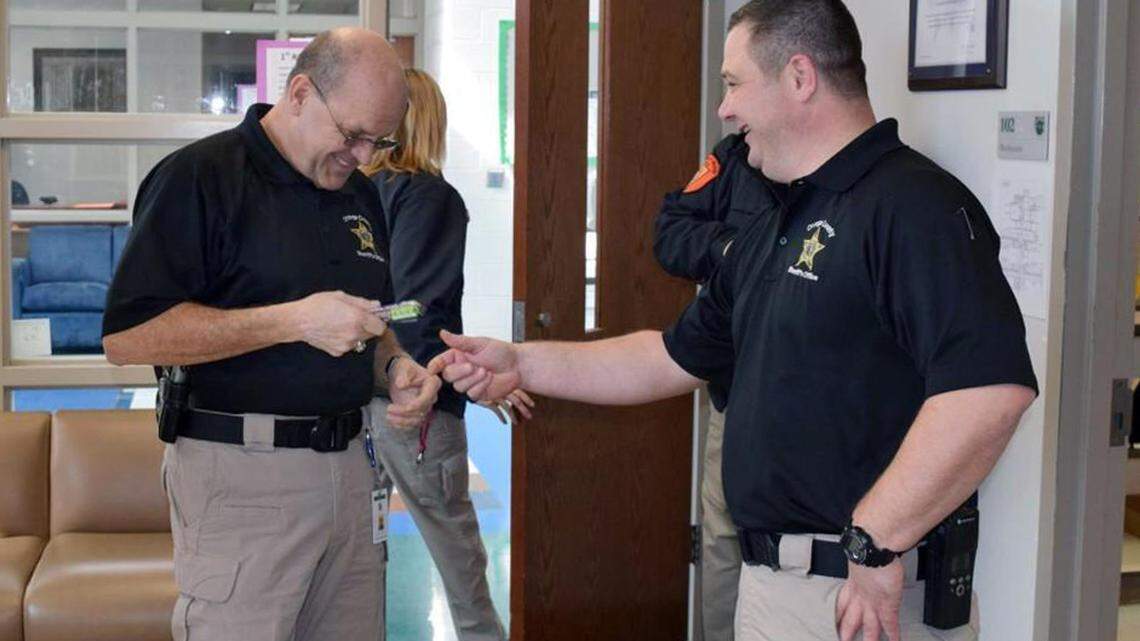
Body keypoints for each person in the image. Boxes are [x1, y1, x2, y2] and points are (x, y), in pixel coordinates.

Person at [428, 2, 1039, 640]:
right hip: (774, 586)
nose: (724, 109)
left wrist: (876, 542)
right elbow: (668, 357)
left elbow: (988, 391)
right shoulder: (776, 222)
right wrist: (523, 361)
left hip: (860, 596)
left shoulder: (912, 207)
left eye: (733, 83)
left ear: (800, 79)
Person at [102, 28, 440, 641]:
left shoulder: (359, 195)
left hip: (353, 471)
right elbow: (129, 337)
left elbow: (370, 324)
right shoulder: (199, 179)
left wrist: (394, 369)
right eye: (352, 134)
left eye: (378, 140)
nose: (364, 156)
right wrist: (292, 319)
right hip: (240, 478)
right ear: (300, 93)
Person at [360, 67, 530, 641]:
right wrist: (468, 378)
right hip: (414, 406)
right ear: (430, 123)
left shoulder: (354, 198)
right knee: (458, 557)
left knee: (361, 556)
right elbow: (414, 311)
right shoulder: (428, 197)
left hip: (358, 397)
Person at [653, 132, 777, 641]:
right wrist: (729, 247)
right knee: (723, 539)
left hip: (811, 414)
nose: (727, 107)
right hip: (733, 390)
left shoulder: (854, 180)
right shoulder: (734, 156)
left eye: (735, 84)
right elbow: (672, 230)